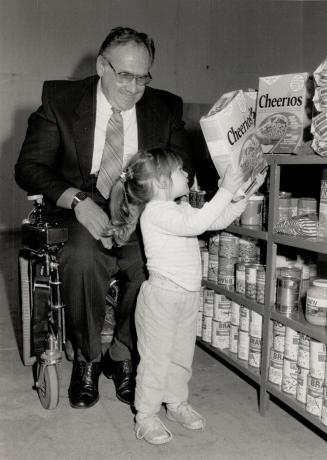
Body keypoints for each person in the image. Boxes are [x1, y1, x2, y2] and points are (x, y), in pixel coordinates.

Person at [15, 27, 194, 409]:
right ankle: (88, 357)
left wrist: (145, 206)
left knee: (151, 265)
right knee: (81, 257)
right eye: (124, 75)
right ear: (101, 66)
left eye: (142, 77)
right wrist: (78, 199)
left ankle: (123, 355)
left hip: (139, 205)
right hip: (79, 202)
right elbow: (29, 166)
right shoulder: (60, 100)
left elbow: (184, 169)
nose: (132, 88)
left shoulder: (166, 108)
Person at [108, 147, 266, 444]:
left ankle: (176, 402)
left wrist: (240, 196)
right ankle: (146, 414)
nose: (186, 173)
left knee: (181, 356)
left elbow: (213, 221)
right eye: (179, 170)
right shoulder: (154, 213)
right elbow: (196, 224)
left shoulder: (179, 207)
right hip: (162, 299)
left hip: (187, 297)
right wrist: (226, 189)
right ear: (160, 182)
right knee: (156, 360)